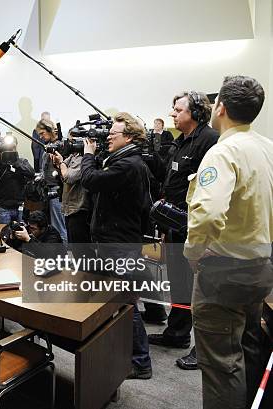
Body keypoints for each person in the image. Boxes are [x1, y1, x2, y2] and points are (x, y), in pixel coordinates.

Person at [184, 75, 273, 409]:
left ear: (220, 107)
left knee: (222, 364)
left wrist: (193, 253)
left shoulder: (224, 152)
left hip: (223, 271)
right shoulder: (267, 147)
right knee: (249, 348)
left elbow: (207, 213)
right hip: (260, 266)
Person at [148, 91, 219, 371]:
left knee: (200, 290)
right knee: (179, 283)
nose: (172, 114)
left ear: (195, 113)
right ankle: (176, 333)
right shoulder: (180, 141)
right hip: (175, 224)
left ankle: (201, 349)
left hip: (197, 227)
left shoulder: (210, 141)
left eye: (177, 110)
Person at [80, 112, 153, 379]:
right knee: (118, 300)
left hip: (119, 244)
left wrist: (88, 154)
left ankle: (141, 362)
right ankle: (127, 354)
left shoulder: (128, 165)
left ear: (130, 137)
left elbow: (91, 180)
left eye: (114, 134)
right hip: (116, 240)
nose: (108, 137)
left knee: (124, 303)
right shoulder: (123, 160)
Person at [52, 148, 95, 261]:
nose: (69, 144)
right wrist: (59, 163)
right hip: (70, 208)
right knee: (75, 248)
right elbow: (63, 174)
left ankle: (88, 274)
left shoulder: (83, 158)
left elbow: (69, 177)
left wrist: (61, 163)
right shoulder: (73, 156)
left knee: (82, 250)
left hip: (79, 208)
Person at [0, 136, 35, 224]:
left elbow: (31, 173)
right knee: (5, 235)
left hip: (19, 206)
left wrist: (16, 162)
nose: (10, 150)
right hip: (2, 207)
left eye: (13, 147)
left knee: (21, 234)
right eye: (8, 148)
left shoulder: (21, 161)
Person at [35, 118, 68, 243]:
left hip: (58, 190)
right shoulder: (47, 147)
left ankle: (64, 257)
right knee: (54, 226)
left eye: (42, 133)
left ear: (49, 130)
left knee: (60, 226)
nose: (41, 137)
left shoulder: (62, 145)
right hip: (48, 190)